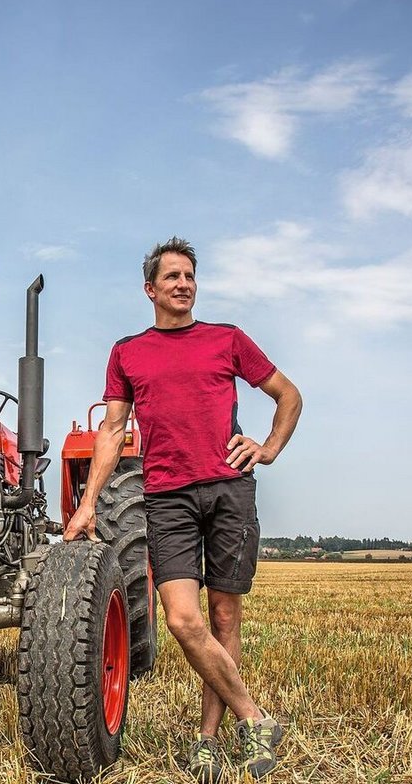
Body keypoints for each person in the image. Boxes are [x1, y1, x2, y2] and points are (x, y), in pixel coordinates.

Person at [64, 237, 302, 783]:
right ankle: (257, 719)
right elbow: (111, 429)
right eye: (172, 276)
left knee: (223, 617)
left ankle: (208, 741)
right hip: (166, 496)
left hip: (228, 489)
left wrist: (266, 448)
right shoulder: (128, 352)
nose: (183, 283)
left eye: (190, 275)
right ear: (150, 289)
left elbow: (289, 395)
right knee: (182, 619)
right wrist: (88, 503)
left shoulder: (228, 339)